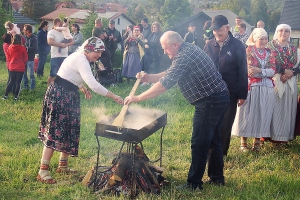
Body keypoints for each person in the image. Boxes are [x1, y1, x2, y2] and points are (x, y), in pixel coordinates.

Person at [124, 31, 229, 190]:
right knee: (213, 140)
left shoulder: (184, 56)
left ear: (175, 44)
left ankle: (194, 184)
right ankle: (217, 178)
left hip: (210, 101)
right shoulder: (186, 51)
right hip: (219, 97)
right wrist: (148, 78)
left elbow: (164, 85)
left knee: (199, 142)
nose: (165, 52)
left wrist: (137, 98)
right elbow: (169, 73)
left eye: (166, 48)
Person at [37, 37, 123, 184]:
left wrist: (80, 87)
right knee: (54, 131)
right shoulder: (81, 59)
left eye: (101, 53)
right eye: (98, 52)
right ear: (89, 49)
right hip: (60, 95)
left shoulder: (80, 57)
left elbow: (69, 74)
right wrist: (114, 96)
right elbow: (94, 85)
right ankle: (43, 170)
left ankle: (62, 165)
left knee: (69, 128)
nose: (99, 56)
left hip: (68, 95)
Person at [204, 15, 248, 156]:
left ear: (227, 28)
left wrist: (242, 94)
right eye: (214, 30)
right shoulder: (209, 45)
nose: (217, 33)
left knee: (225, 123)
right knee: (210, 123)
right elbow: (204, 68)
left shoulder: (237, 46)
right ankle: (209, 151)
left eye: (219, 29)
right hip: (211, 92)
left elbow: (243, 71)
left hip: (230, 92)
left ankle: (221, 154)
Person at [231, 28, 276, 152]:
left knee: (262, 113)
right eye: (261, 39)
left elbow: (273, 71)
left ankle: (256, 142)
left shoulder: (270, 52)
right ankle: (243, 142)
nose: (263, 41)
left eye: (266, 38)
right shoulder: (248, 50)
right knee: (247, 113)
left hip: (267, 87)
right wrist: (263, 72)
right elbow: (250, 71)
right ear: (255, 39)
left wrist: (260, 71)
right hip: (252, 87)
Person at [266, 24, 300, 143]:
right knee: (274, 108)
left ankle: (284, 137)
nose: (283, 33)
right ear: (277, 31)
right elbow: (266, 63)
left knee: (287, 109)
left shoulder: (294, 48)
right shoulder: (269, 46)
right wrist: (282, 72)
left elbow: (299, 65)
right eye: (281, 30)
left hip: (290, 81)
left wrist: (290, 74)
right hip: (275, 80)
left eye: (286, 31)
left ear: (289, 33)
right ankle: (271, 135)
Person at [2, 34, 28, 100]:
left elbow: (8, 57)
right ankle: (16, 97)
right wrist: (22, 63)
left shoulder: (10, 47)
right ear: (20, 40)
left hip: (12, 66)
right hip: (20, 67)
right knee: (18, 83)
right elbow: (26, 58)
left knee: (11, 81)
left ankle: (5, 96)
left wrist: (12, 62)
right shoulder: (23, 48)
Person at [47, 18, 70, 85]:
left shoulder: (63, 32)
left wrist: (67, 43)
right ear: (57, 23)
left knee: (64, 74)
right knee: (53, 74)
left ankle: (61, 89)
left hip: (65, 56)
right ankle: (49, 90)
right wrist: (60, 44)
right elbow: (50, 42)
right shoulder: (52, 32)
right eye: (60, 23)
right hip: (55, 56)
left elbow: (70, 40)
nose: (62, 24)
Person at [22, 24, 37, 90]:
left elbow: (35, 48)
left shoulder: (34, 38)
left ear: (28, 31)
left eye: (24, 30)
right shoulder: (23, 37)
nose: (23, 31)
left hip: (30, 58)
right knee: (24, 73)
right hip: (23, 59)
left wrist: (26, 48)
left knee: (31, 74)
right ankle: (25, 86)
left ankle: (32, 87)